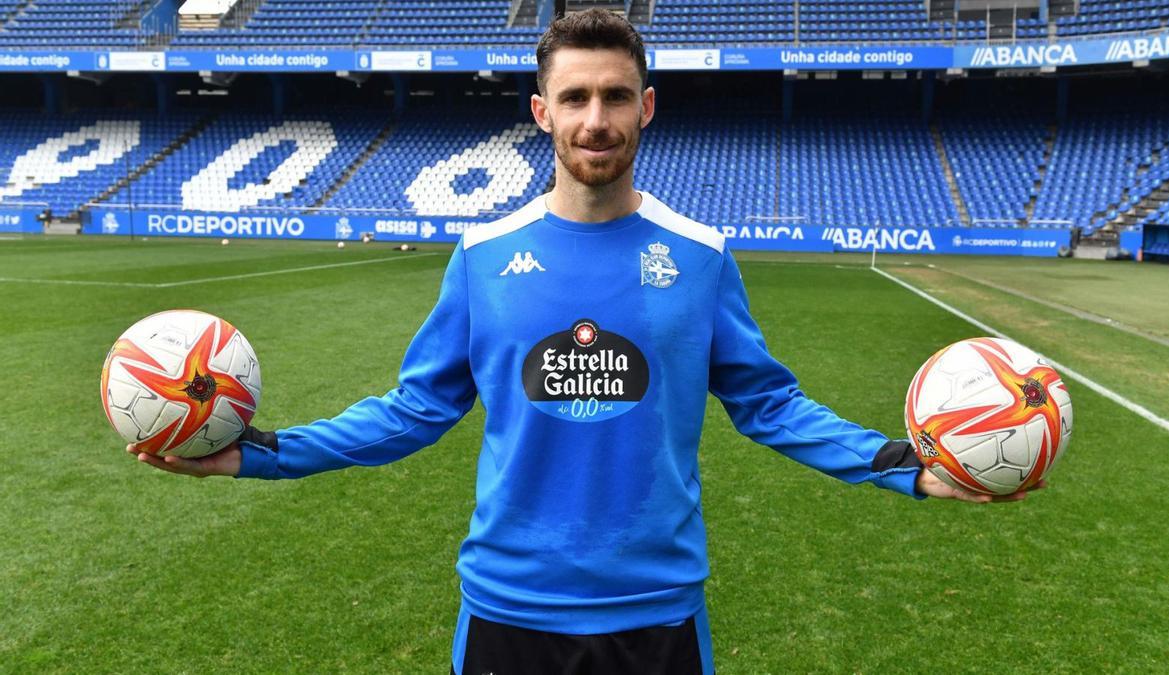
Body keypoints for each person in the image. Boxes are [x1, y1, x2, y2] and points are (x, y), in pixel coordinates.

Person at [129, 9, 1045, 675]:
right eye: (575, 98)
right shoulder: (483, 257)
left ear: (647, 106)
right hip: (508, 609)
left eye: (614, 96)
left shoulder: (701, 256)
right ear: (541, 112)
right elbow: (415, 409)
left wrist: (897, 462)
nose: (594, 118)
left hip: (657, 613)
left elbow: (767, 403)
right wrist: (261, 459)